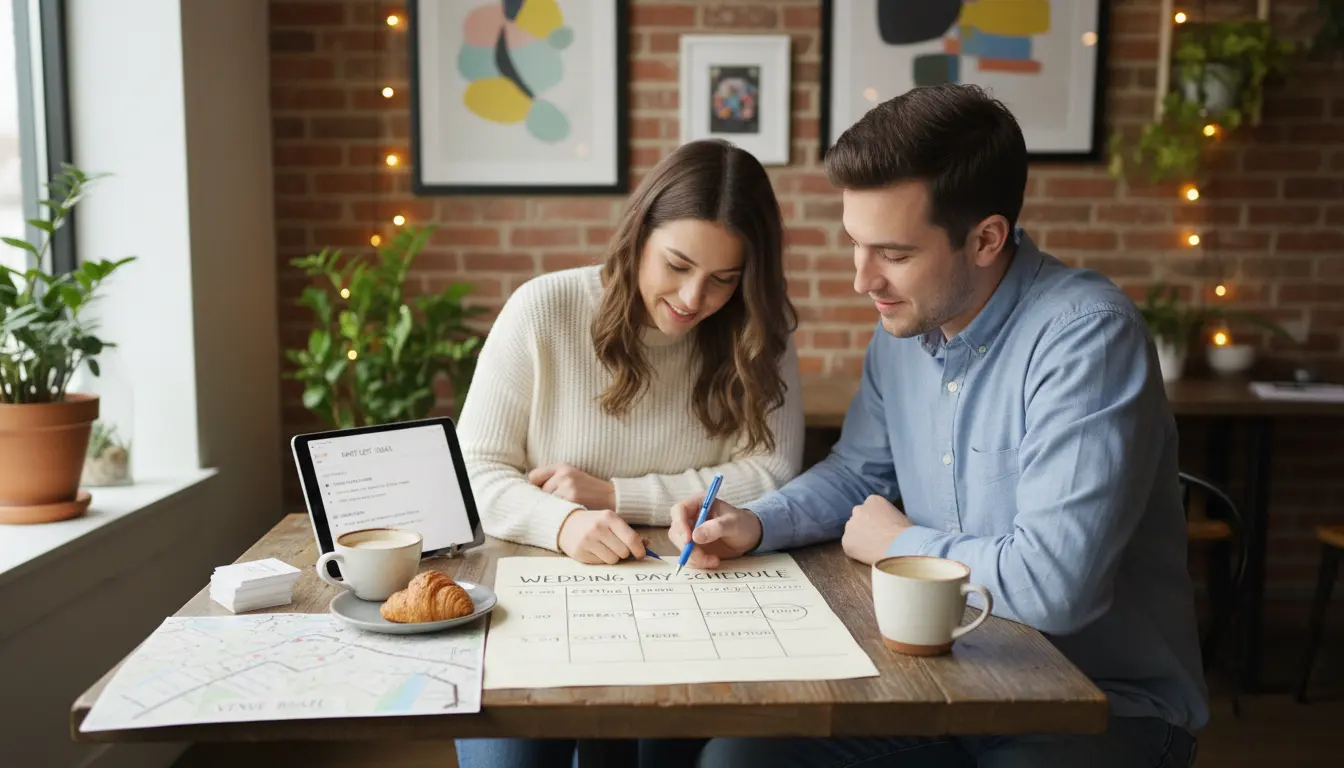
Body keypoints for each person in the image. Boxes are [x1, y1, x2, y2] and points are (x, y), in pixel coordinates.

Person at [668, 84, 1209, 767]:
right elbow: (857, 474)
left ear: (986, 238)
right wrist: (757, 522)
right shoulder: (902, 330)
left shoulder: (1086, 339)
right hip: (942, 681)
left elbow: (1055, 588)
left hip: (1097, 707)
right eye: (855, 245)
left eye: (892, 254)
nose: (862, 280)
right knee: (739, 760)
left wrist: (902, 545)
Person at [453, 138, 805, 768]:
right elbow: (474, 471)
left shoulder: (758, 333)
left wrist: (616, 496)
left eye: (724, 279)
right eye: (677, 265)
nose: (695, 298)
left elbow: (772, 472)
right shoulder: (544, 309)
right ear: (639, 235)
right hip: (535, 601)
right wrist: (564, 524)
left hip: (691, 604)